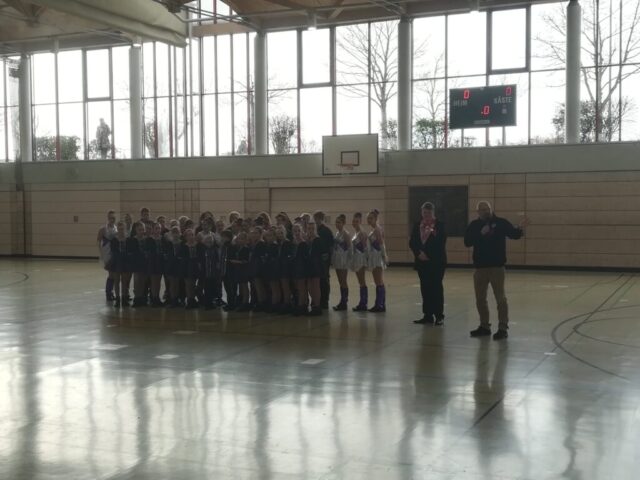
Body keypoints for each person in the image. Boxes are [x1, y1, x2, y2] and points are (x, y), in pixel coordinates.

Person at [464, 201, 529, 340]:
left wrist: (520, 228)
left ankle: (502, 328)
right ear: (478, 212)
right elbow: (467, 242)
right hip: (480, 268)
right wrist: (480, 233)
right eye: (482, 209)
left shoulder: (501, 223)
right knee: (480, 299)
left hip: (497, 268)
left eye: (487, 208)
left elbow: (514, 234)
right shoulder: (474, 225)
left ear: (491, 209)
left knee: (500, 299)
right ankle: (484, 326)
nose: (485, 211)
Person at [410, 202, 447, 326]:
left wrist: (428, 255)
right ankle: (427, 315)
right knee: (425, 288)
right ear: (422, 212)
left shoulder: (440, 225)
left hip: (436, 262)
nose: (426, 215)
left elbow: (441, 242)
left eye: (429, 213)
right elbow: (412, 242)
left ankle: (439, 316)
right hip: (422, 262)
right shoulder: (417, 225)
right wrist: (418, 253)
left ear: (433, 213)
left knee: (436, 288)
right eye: (424, 212)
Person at [366, 209, 387, 312]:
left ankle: (380, 305)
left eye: (371, 218)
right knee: (378, 281)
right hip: (374, 256)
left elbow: (381, 243)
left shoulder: (377, 229)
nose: (368, 220)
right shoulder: (374, 229)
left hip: (377, 256)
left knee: (378, 281)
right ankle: (380, 304)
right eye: (368, 218)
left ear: (375, 219)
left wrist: (384, 256)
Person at [313, 211, 334, 309]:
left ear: (319, 219)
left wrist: (329, 258)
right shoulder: (316, 230)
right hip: (318, 257)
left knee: (324, 279)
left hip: (324, 258)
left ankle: (324, 301)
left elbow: (331, 246)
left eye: (315, 219)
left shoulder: (326, 230)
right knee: (319, 280)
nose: (315, 221)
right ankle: (320, 299)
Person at [331, 214, 352, 311]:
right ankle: (342, 301)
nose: (337, 224)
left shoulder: (345, 234)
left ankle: (344, 302)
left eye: (339, 222)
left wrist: (349, 260)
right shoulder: (337, 233)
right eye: (336, 222)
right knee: (340, 281)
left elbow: (350, 248)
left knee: (343, 281)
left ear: (343, 223)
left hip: (343, 260)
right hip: (337, 259)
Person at [97, 210, 117, 301]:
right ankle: (108, 293)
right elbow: (98, 242)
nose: (112, 219)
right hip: (107, 253)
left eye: (113, 218)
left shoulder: (116, 228)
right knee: (111, 273)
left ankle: (111, 292)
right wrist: (101, 254)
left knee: (114, 274)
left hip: (115, 253)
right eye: (110, 218)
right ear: (108, 218)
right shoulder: (103, 229)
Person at [351, 212, 369, 312]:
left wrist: (366, 260)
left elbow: (365, 247)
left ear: (360, 222)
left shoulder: (362, 233)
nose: (354, 223)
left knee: (362, 281)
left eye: (356, 221)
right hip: (356, 258)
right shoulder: (356, 232)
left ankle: (363, 303)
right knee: (360, 281)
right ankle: (362, 302)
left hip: (361, 259)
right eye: (353, 221)